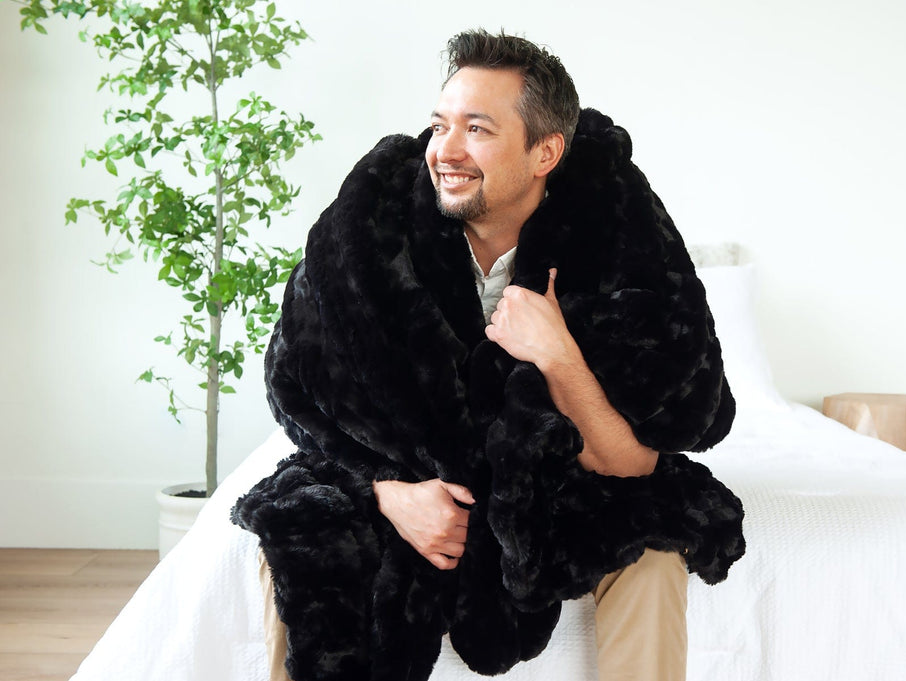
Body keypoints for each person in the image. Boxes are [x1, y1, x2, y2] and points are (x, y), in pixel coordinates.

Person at [235, 28, 743, 681]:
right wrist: (386, 493)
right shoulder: (371, 229)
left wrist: (560, 355)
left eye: (477, 130)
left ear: (545, 152)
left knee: (653, 552)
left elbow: (634, 460)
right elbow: (307, 402)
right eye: (439, 125)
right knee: (307, 537)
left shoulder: (616, 238)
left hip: (563, 490)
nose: (444, 150)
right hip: (414, 482)